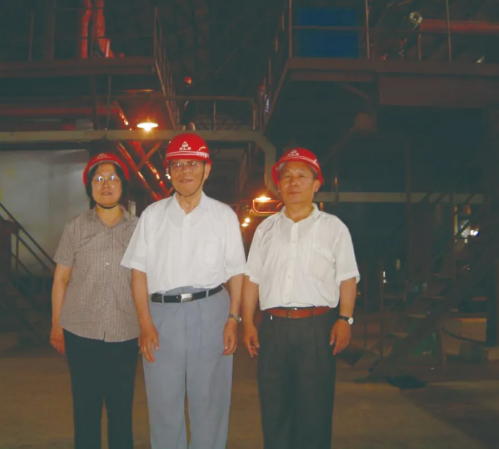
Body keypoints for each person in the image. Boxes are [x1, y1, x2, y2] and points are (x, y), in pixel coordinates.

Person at [121, 133, 246, 449]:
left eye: (193, 164)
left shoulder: (223, 216)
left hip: (211, 311)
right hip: (162, 316)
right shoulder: (152, 216)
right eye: (177, 164)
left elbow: (236, 273)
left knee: (210, 403)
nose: (185, 171)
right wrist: (145, 323)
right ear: (169, 171)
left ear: (207, 169)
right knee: (163, 403)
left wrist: (233, 319)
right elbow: (138, 272)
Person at [242, 148, 359, 449]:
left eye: (301, 176)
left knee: (314, 410)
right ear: (279, 185)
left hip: (316, 329)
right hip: (273, 329)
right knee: (274, 409)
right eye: (287, 177)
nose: (293, 182)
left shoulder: (333, 228)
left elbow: (347, 277)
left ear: (316, 184)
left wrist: (345, 319)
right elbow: (252, 279)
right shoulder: (265, 229)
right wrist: (248, 322)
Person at [50, 152, 139, 449]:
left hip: (125, 333)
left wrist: (147, 324)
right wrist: (56, 324)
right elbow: (61, 279)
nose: (106, 184)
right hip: (81, 333)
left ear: (123, 185)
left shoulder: (139, 229)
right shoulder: (75, 227)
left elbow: (147, 282)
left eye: (113, 178)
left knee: (121, 413)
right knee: (85, 411)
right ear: (90, 187)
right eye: (98, 178)